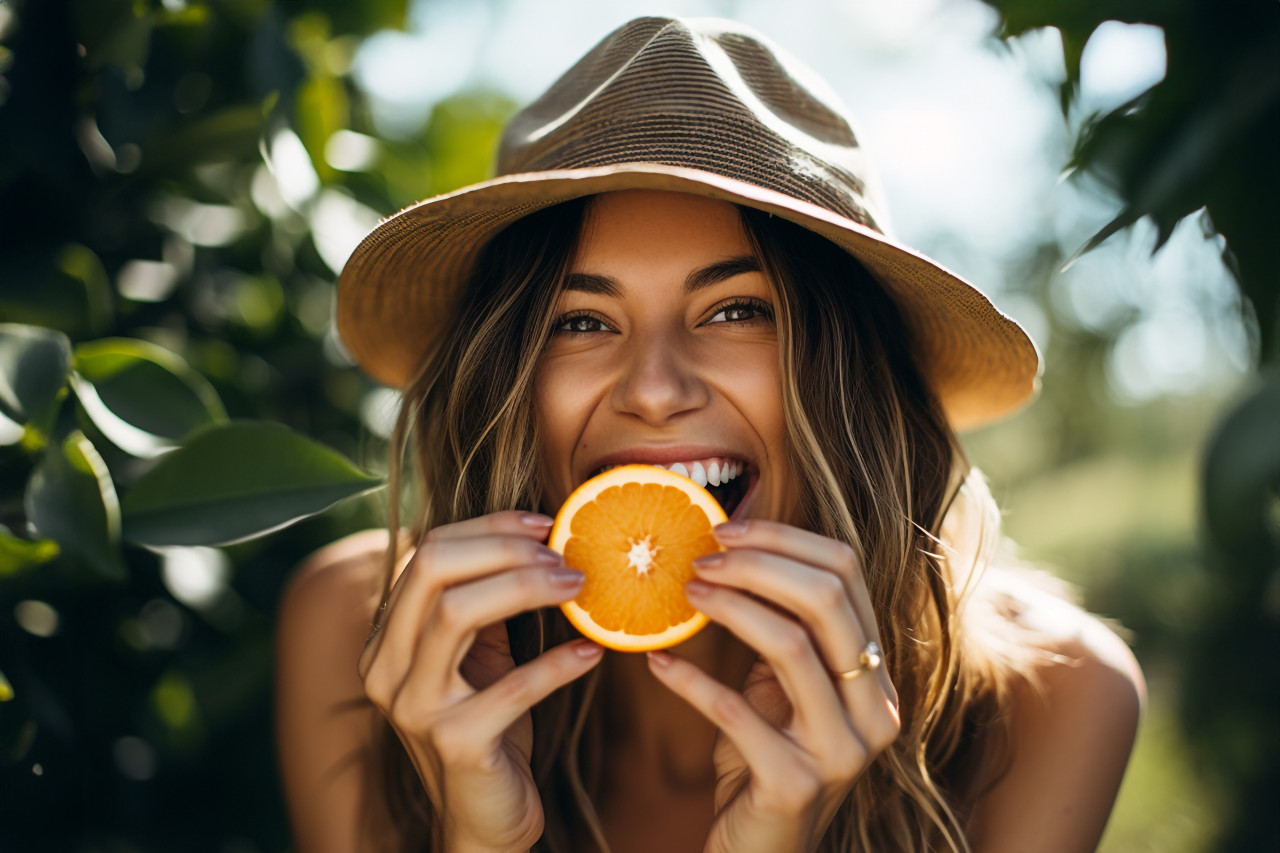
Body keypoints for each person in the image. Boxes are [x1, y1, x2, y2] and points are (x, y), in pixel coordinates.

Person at [274, 16, 1144, 853]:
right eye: (579, 321)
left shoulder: (1049, 701)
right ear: (507, 378)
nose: (654, 389)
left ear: (851, 377)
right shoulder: (355, 633)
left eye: (737, 310)